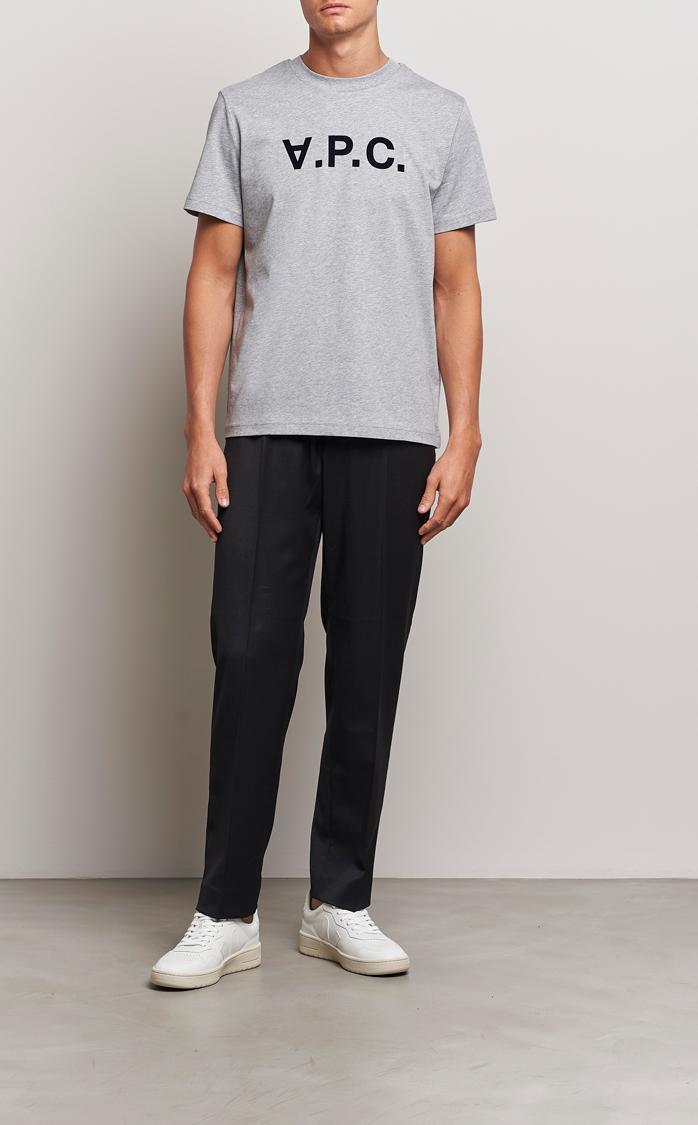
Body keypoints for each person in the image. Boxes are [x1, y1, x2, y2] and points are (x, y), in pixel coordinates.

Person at [151, 0, 495, 990]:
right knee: (248, 653)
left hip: (392, 430)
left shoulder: (439, 114)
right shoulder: (246, 108)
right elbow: (213, 272)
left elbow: (457, 284)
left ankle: (339, 900)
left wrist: (465, 430)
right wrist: (200, 427)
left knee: (368, 664)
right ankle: (225, 913)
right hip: (266, 424)